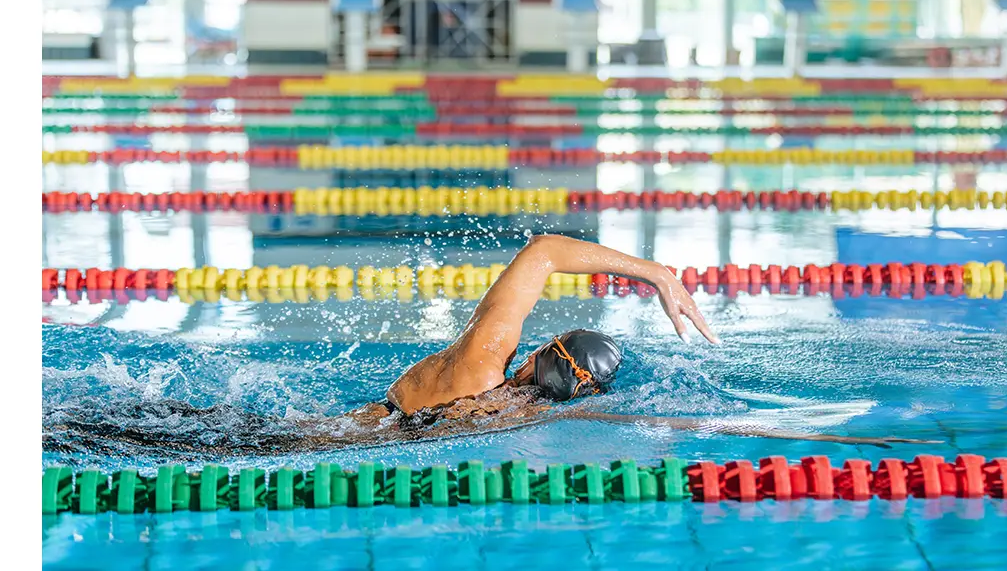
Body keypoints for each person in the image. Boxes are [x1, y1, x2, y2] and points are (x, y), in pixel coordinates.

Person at [44, 235, 936, 456]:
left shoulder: (502, 384)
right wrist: (660, 271)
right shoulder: (493, 380)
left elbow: (686, 428)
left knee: (124, 427)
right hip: (305, 438)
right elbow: (545, 251)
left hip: (319, 433)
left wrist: (838, 441)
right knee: (114, 430)